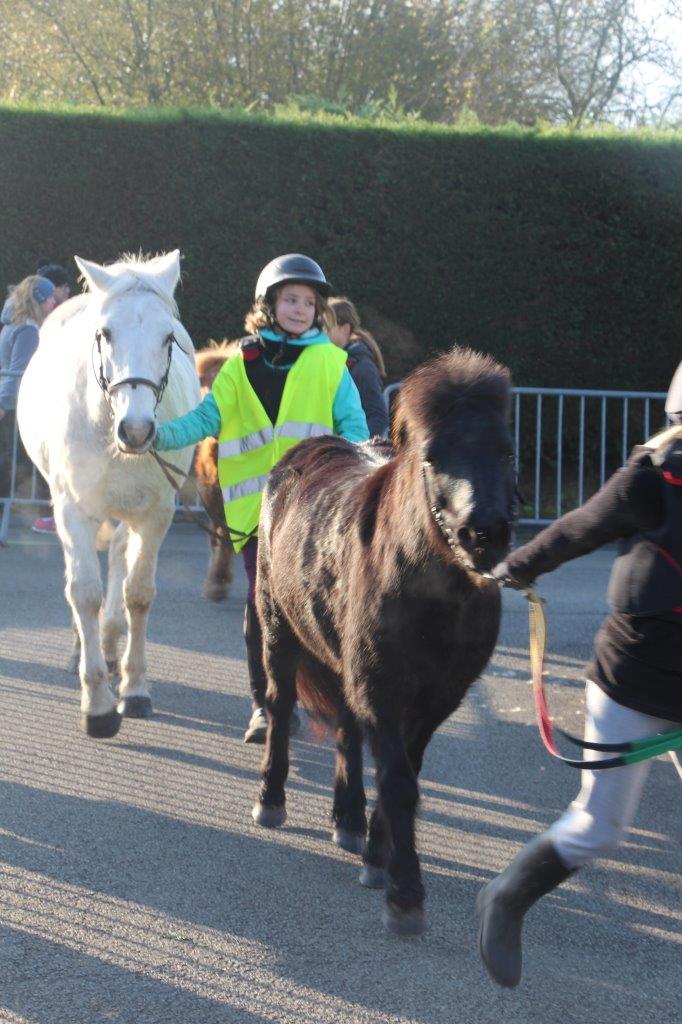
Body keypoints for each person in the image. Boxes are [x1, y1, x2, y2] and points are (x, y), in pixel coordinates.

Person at [477, 360, 682, 989]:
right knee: (601, 826)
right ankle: (505, 899)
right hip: (631, 681)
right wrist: (513, 569)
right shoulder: (653, 480)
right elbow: (575, 530)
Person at [155, 254, 369, 743]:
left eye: (309, 302)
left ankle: (328, 700)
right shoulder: (237, 368)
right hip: (256, 516)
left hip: (315, 516)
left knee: (318, 610)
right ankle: (266, 706)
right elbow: (204, 422)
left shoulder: (332, 364)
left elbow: (355, 433)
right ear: (269, 305)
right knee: (260, 608)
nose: (300, 309)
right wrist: (155, 436)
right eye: (290, 299)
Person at [0, 276, 57, 506]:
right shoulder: (28, 330)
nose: (54, 301)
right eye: (50, 296)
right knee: (18, 460)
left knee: (14, 459)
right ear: (39, 299)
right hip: (14, 405)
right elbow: (18, 370)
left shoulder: (13, 323)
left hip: (9, 402)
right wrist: (4, 404)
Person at [329, 296, 389, 437]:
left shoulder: (362, 368)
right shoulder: (333, 361)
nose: (321, 331)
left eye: (327, 326)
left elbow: (378, 417)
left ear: (344, 329)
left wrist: (353, 448)